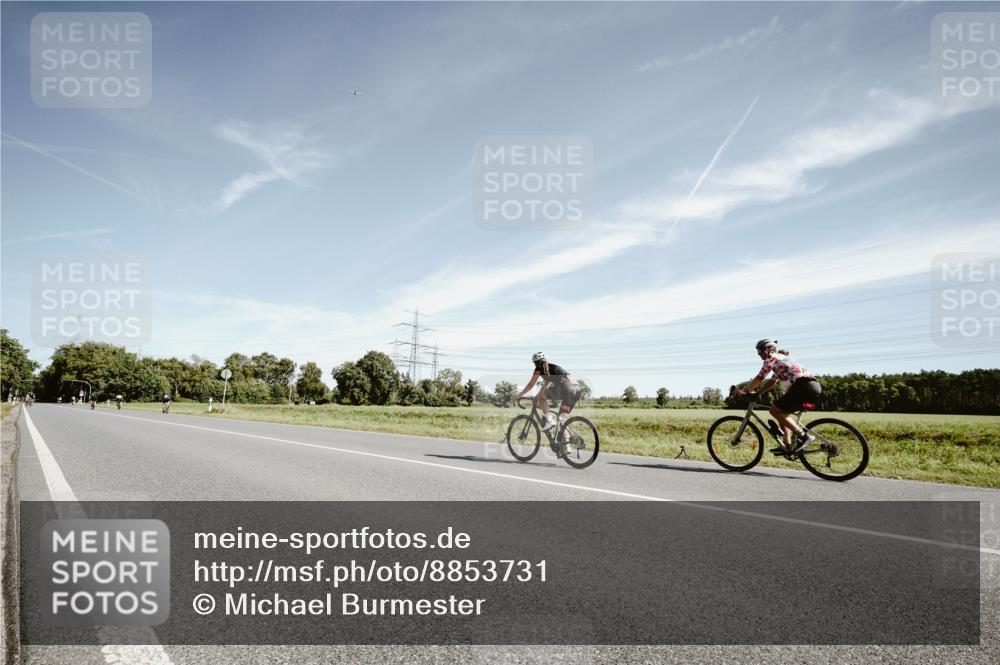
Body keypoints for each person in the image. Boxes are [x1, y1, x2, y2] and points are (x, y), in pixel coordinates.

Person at [736, 339, 821, 452]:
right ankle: (787, 446)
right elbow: (771, 382)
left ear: (770, 349)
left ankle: (803, 436)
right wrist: (757, 393)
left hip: (802, 387)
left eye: (761, 350)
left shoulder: (772, 358)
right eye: (757, 351)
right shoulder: (781, 360)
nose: (759, 354)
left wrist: (746, 391)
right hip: (811, 386)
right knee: (782, 413)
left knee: (774, 410)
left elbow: (760, 377)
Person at [516, 352, 582, 453]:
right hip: (576, 390)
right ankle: (567, 445)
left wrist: (519, 395)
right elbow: (546, 385)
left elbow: (530, 385)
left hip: (567, 388)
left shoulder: (539, 369)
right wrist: (537, 396)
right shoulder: (551, 368)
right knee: (561, 420)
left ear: (535, 363)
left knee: (542, 398)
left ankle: (549, 420)